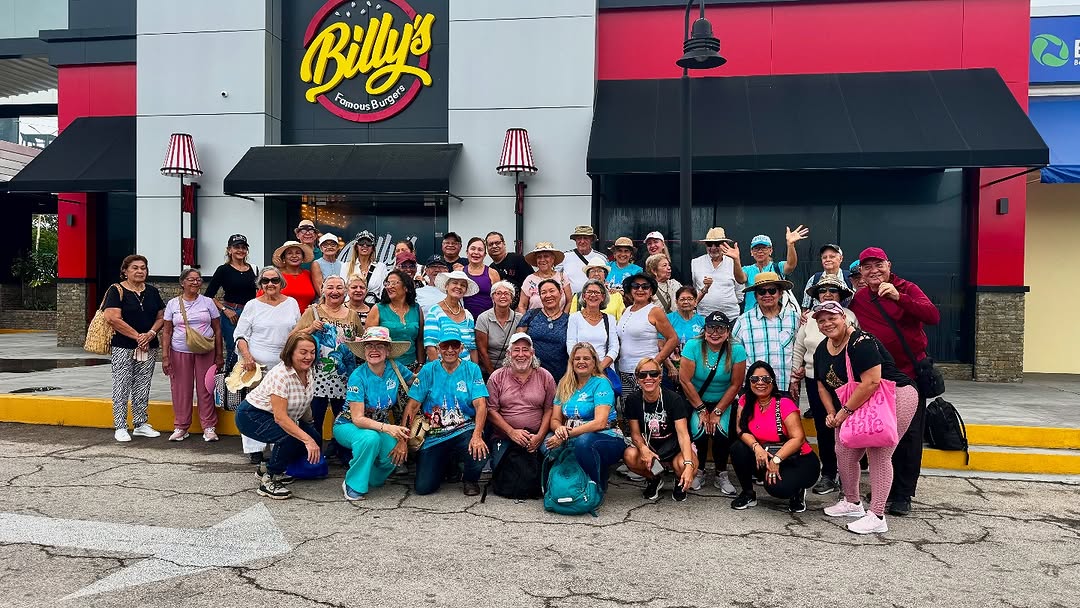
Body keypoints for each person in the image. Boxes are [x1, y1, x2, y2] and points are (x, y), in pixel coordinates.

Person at [847, 247, 940, 517]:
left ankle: (902, 494)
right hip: (878, 375)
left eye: (879, 265)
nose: (874, 271)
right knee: (881, 432)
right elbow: (846, 321)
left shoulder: (907, 288)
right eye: (867, 267)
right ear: (861, 272)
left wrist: (900, 298)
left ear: (889, 265)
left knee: (909, 436)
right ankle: (883, 490)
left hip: (909, 373)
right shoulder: (861, 297)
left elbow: (933, 316)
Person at [814, 301, 919, 534]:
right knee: (843, 449)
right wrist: (831, 412)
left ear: (844, 317)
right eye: (821, 320)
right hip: (858, 401)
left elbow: (871, 382)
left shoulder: (861, 342)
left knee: (879, 452)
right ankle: (852, 502)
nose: (827, 323)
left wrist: (843, 413)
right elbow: (821, 384)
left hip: (894, 395)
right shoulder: (823, 348)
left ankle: (877, 515)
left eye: (832, 317)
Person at [404, 325, 490, 496]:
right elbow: (412, 406)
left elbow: (481, 405)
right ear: (438, 348)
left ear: (462, 348)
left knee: (479, 449)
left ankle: (470, 480)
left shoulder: (472, 369)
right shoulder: (428, 370)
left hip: (464, 429)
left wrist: (477, 435)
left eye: (455, 345)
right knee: (423, 488)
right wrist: (402, 439)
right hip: (435, 433)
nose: (450, 350)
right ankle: (449, 466)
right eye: (445, 346)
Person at [234, 333, 322, 500]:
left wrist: (311, 434)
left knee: (313, 437)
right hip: (252, 415)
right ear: (290, 352)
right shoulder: (281, 374)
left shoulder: (308, 371)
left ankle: (265, 468)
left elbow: (303, 402)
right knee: (290, 437)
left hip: (276, 416)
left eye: (312, 352)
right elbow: (281, 418)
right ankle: (269, 479)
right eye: (303, 352)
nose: (309, 357)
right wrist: (307, 440)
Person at [791, 275, 857, 495]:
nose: (827, 294)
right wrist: (794, 374)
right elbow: (799, 347)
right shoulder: (810, 318)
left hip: (845, 381)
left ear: (841, 295)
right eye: (822, 291)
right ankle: (829, 473)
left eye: (832, 290)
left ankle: (848, 475)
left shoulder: (849, 317)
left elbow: (856, 345)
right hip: (813, 378)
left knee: (847, 426)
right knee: (824, 426)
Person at [334, 326, 414, 500]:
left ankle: (368, 476)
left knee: (393, 451)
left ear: (388, 349)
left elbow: (415, 382)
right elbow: (358, 419)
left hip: (379, 426)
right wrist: (388, 428)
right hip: (348, 425)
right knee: (370, 439)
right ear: (364, 350)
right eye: (369, 346)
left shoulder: (396, 368)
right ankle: (353, 483)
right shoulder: (358, 375)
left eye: (380, 345)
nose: (374, 350)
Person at [730, 361, 820, 512]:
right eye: (754, 379)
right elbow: (741, 430)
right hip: (765, 453)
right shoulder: (745, 400)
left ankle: (797, 491)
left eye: (765, 379)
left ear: (773, 381)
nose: (760, 383)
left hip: (796, 458)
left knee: (778, 488)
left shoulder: (784, 403)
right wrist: (756, 447)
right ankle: (748, 493)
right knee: (738, 448)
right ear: (749, 382)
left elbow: (797, 438)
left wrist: (777, 459)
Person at [234, 266, 303, 463]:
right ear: (260, 284)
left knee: (282, 408)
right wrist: (247, 356)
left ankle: (279, 445)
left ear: (281, 283)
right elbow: (240, 334)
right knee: (256, 406)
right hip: (256, 367)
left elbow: (296, 333)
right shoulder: (252, 305)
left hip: (284, 367)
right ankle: (254, 450)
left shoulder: (291, 303)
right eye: (266, 281)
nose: (270, 284)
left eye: (274, 280)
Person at [290, 275, 364, 452]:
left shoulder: (352, 314)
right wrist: (311, 328)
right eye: (330, 287)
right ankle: (314, 452)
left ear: (345, 292)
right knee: (316, 416)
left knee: (342, 417)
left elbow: (360, 342)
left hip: (344, 374)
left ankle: (338, 449)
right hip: (317, 375)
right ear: (322, 290)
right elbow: (293, 337)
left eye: (339, 287)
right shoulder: (313, 311)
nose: (335, 291)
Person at [679, 311, 746, 494]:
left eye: (720, 328)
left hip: (723, 400)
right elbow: (685, 380)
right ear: (704, 329)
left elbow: (736, 384)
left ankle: (721, 473)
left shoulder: (737, 349)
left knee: (720, 433)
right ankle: (698, 471)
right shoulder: (693, 345)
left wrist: (717, 412)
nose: (715, 332)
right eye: (710, 327)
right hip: (697, 399)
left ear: (727, 331)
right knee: (698, 431)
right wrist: (701, 409)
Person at [544, 342, 624, 493]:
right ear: (572, 362)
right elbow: (554, 419)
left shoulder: (601, 383)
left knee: (584, 442)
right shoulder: (564, 384)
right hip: (572, 434)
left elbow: (600, 423)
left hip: (606, 436)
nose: (581, 362)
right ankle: (558, 485)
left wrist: (566, 435)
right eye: (577, 358)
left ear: (594, 362)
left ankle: (596, 485)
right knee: (545, 445)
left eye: (586, 358)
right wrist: (559, 429)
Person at [103, 255, 166, 442]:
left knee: (143, 385)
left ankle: (140, 423)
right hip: (124, 345)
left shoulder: (153, 291)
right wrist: (138, 336)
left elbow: (161, 316)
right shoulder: (116, 290)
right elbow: (112, 318)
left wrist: (151, 334)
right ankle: (120, 425)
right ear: (125, 271)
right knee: (121, 384)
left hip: (148, 346)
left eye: (143, 268)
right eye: (135, 268)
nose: (140, 271)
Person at [624, 356, 698, 502]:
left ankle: (679, 480)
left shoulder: (674, 399)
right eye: (642, 375)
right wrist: (643, 449)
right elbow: (635, 434)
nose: (648, 378)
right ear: (637, 378)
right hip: (651, 446)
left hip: (674, 446)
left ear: (660, 377)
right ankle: (655, 479)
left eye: (653, 374)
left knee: (685, 464)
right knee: (630, 455)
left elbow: (683, 435)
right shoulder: (633, 400)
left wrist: (689, 465)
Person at [161, 268, 223, 442]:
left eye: (198, 279)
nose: (196, 282)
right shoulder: (173, 304)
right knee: (181, 389)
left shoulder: (208, 302)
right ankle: (181, 426)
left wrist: (219, 354)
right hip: (179, 350)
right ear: (182, 283)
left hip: (205, 350)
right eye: (191, 279)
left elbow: (217, 329)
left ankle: (209, 426)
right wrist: (165, 357)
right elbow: (166, 332)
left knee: (206, 388)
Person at [486, 333, 555, 461]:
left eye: (525, 350)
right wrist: (511, 432)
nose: (521, 354)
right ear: (508, 353)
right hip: (505, 435)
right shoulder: (496, 377)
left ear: (532, 353)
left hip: (538, 434)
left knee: (553, 454)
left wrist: (539, 436)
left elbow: (549, 409)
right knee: (500, 466)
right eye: (516, 350)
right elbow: (491, 411)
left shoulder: (545, 376)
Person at [733, 272, 800, 390]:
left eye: (772, 290)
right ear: (756, 296)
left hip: (785, 387)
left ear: (780, 293)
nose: (767, 295)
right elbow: (733, 355)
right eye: (762, 291)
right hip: (754, 389)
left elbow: (801, 351)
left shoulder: (795, 318)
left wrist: (799, 373)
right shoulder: (743, 321)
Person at [614, 273, 678, 397]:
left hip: (647, 373)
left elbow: (673, 338)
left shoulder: (654, 311)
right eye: (635, 286)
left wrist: (656, 362)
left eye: (645, 286)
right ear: (630, 290)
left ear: (651, 291)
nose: (640, 290)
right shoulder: (626, 311)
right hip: (625, 370)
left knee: (648, 410)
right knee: (629, 411)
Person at [203, 234, 256, 372]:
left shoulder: (253, 269)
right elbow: (208, 295)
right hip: (231, 313)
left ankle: (249, 381)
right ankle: (232, 383)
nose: (240, 250)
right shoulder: (223, 270)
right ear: (229, 250)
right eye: (236, 247)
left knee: (252, 346)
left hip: (250, 312)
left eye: (243, 247)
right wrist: (224, 309)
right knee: (234, 348)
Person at [366, 269, 425, 371]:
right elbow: (369, 343)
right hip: (385, 368)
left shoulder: (416, 308)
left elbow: (419, 340)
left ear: (406, 287)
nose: (389, 286)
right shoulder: (378, 309)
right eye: (387, 283)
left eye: (393, 283)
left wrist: (420, 365)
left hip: (412, 367)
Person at [741, 227, 808, 311]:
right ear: (751, 252)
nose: (760, 251)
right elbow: (740, 279)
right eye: (756, 249)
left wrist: (790, 245)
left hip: (777, 314)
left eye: (764, 248)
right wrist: (736, 259)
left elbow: (791, 265)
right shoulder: (747, 270)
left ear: (771, 250)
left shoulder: (778, 267)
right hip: (752, 315)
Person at [516, 279, 571, 381]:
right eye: (543, 293)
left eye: (552, 291)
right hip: (532, 374)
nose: (548, 295)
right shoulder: (531, 315)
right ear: (540, 297)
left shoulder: (568, 320)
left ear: (560, 293)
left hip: (561, 376)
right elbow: (518, 342)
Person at [565, 280, 620, 381]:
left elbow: (614, 347)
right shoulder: (574, 318)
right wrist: (584, 365)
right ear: (584, 296)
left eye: (597, 292)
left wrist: (599, 368)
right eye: (589, 292)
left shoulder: (610, 319)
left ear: (603, 297)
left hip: (604, 372)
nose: (593, 295)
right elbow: (571, 344)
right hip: (581, 371)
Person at [424, 270, 479, 363]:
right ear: (446, 286)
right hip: (441, 370)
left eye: (463, 285)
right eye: (455, 283)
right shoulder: (435, 312)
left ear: (465, 291)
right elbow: (431, 348)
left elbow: (472, 348)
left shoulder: (468, 315)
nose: (458, 287)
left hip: (465, 371)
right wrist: (442, 373)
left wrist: (474, 372)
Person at [691, 227, 746, 319]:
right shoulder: (695, 263)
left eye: (717, 244)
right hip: (703, 317)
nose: (713, 248)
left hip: (730, 317)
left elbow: (740, 290)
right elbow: (693, 288)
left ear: (724, 244)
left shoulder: (733, 262)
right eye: (709, 244)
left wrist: (728, 302)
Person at [475, 281, 523, 378]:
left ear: (512, 298)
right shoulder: (483, 318)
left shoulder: (519, 318)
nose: (503, 296)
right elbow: (482, 351)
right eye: (498, 293)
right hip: (488, 368)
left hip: (513, 369)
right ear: (493, 297)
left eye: (507, 293)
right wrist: (493, 374)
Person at [662, 286, 704, 383]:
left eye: (690, 299)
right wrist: (671, 367)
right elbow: (661, 346)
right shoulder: (668, 319)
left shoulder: (702, 321)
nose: (686, 302)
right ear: (676, 302)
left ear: (695, 302)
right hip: (672, 369)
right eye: (682, 299)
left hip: (696, 369)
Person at [519, 242, 573, 313]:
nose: (542, 260)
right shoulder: (529, 280)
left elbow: (569, 301)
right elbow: (522, 306)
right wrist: (525, 322)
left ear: (553, 259)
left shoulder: (562, 277)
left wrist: (563, 318)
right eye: (539, 257)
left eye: (546, 256)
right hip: (534, 322)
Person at [342, 230, 387, 306]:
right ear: (356, 247)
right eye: (361, 243)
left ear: (373, 248)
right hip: (350, 308)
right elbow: (343, 290)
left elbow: (383, 291)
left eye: (369, 244)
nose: (365, 246)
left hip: (373, 307)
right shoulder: (346, 266)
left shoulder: (381, 267)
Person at [801, 243, 853, 308]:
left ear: (841, 258)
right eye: (824, 257)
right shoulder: (814, 279)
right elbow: (805, 306)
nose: (828, 260)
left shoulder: (850, 278)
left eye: (832, 257)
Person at [273, 240, 318, 314]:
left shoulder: (308, 274)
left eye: (298, 253)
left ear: (303, 257)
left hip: (307, 321)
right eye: (289, 253)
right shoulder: (276, 275)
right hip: (280, 320)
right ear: (283, 258)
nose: (294, 256)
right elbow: (262, 297)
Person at [559, 225, 608, 293]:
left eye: (585, 238)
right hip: (572, 300)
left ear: (591, 240)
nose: (582, 241)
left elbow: (607, 279)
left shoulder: (601, 258)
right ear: (575, 240)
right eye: (579, 238)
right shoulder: (564, 257)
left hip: (595, 299)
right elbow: (556, 277)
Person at [462, 236, 501, 319]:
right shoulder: (459, 272)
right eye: (473, 249)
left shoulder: (492, 273)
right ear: (467, 252)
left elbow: (498, 299)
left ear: (484, 255)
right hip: (463, 320)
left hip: (487, 321)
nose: (476, 252)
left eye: (480, 250)